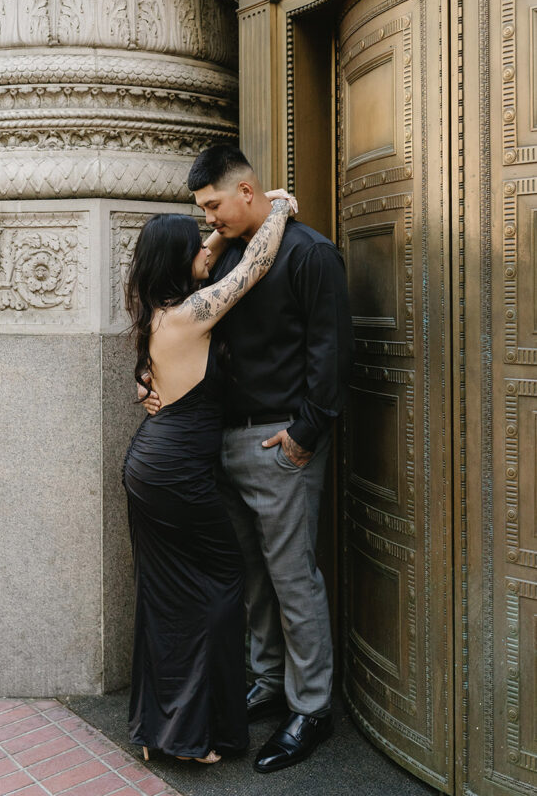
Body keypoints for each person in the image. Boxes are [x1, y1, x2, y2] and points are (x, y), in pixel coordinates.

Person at [142, 145, 354, 774]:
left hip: (277, 446)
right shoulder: (229, 256)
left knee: (292, 578)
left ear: (247, 190)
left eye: (215, 206)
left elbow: (332, 352)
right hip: (219, 446)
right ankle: (265, 680)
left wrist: (304, 435)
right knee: (253, 576)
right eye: (201, 211)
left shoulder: (310, 253)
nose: (210, 220)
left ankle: (312, 707)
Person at [123, 193, 294, 764]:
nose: (208, 245)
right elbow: (255, 267)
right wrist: (279, 211)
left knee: (165, 592)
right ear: (177, 260)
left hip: (153, 464)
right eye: (196, 244)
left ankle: (158, 726)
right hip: (175, 473)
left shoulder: (157, 312)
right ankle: (194, 735)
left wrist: (218, 233)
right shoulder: (192, 313)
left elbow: (210, 252)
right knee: (220, 584)